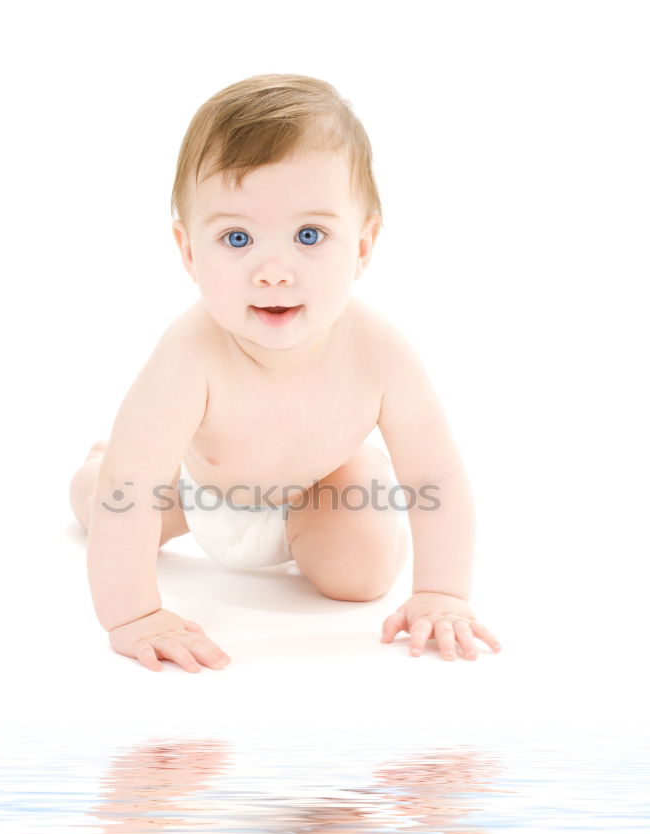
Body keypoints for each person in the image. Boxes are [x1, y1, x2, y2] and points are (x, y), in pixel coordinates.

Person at [68, 73, 502, 673]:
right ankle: (105, 458)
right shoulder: (190, 355)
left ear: (363, 245)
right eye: (237, 237)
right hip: (200, 497)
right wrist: (134, 613)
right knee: (107, 496)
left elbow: (437, 474)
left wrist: (442, 591)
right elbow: (131, 493)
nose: (273, 270)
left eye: (309, 235)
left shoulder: (381, 353)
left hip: (320, 492)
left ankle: (331, 519)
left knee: (363, 574)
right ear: (189, 252)